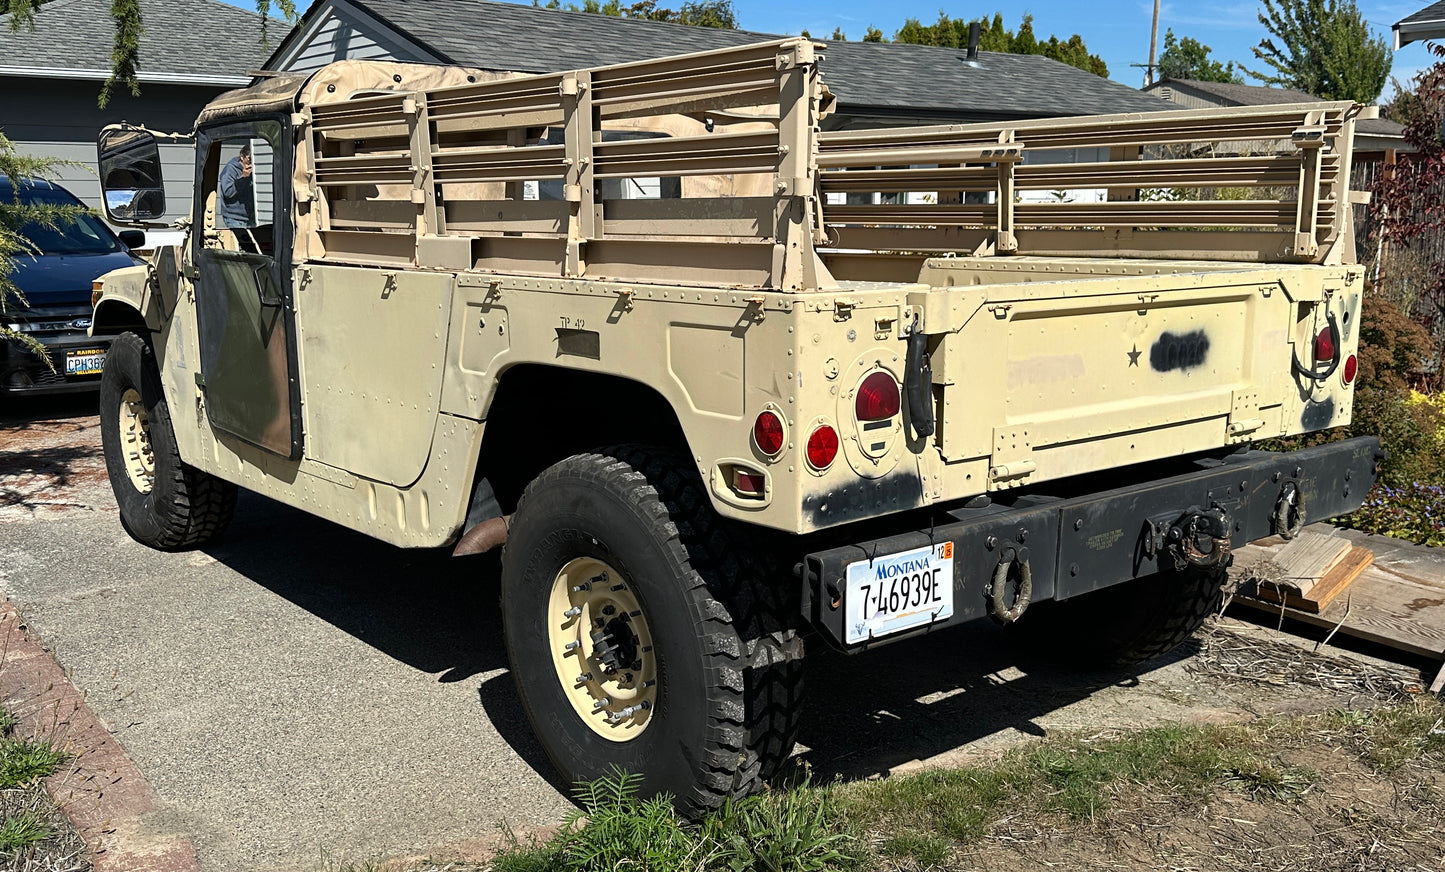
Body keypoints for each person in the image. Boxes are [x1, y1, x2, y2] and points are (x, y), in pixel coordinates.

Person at [218, 144, 254, 228]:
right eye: (250, 159)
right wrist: (243, 178)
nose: (251, 163)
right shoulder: (230, 169)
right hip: (235, 218)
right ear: (242, 157)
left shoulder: (254, 170)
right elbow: (228, 192)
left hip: (250, 216)